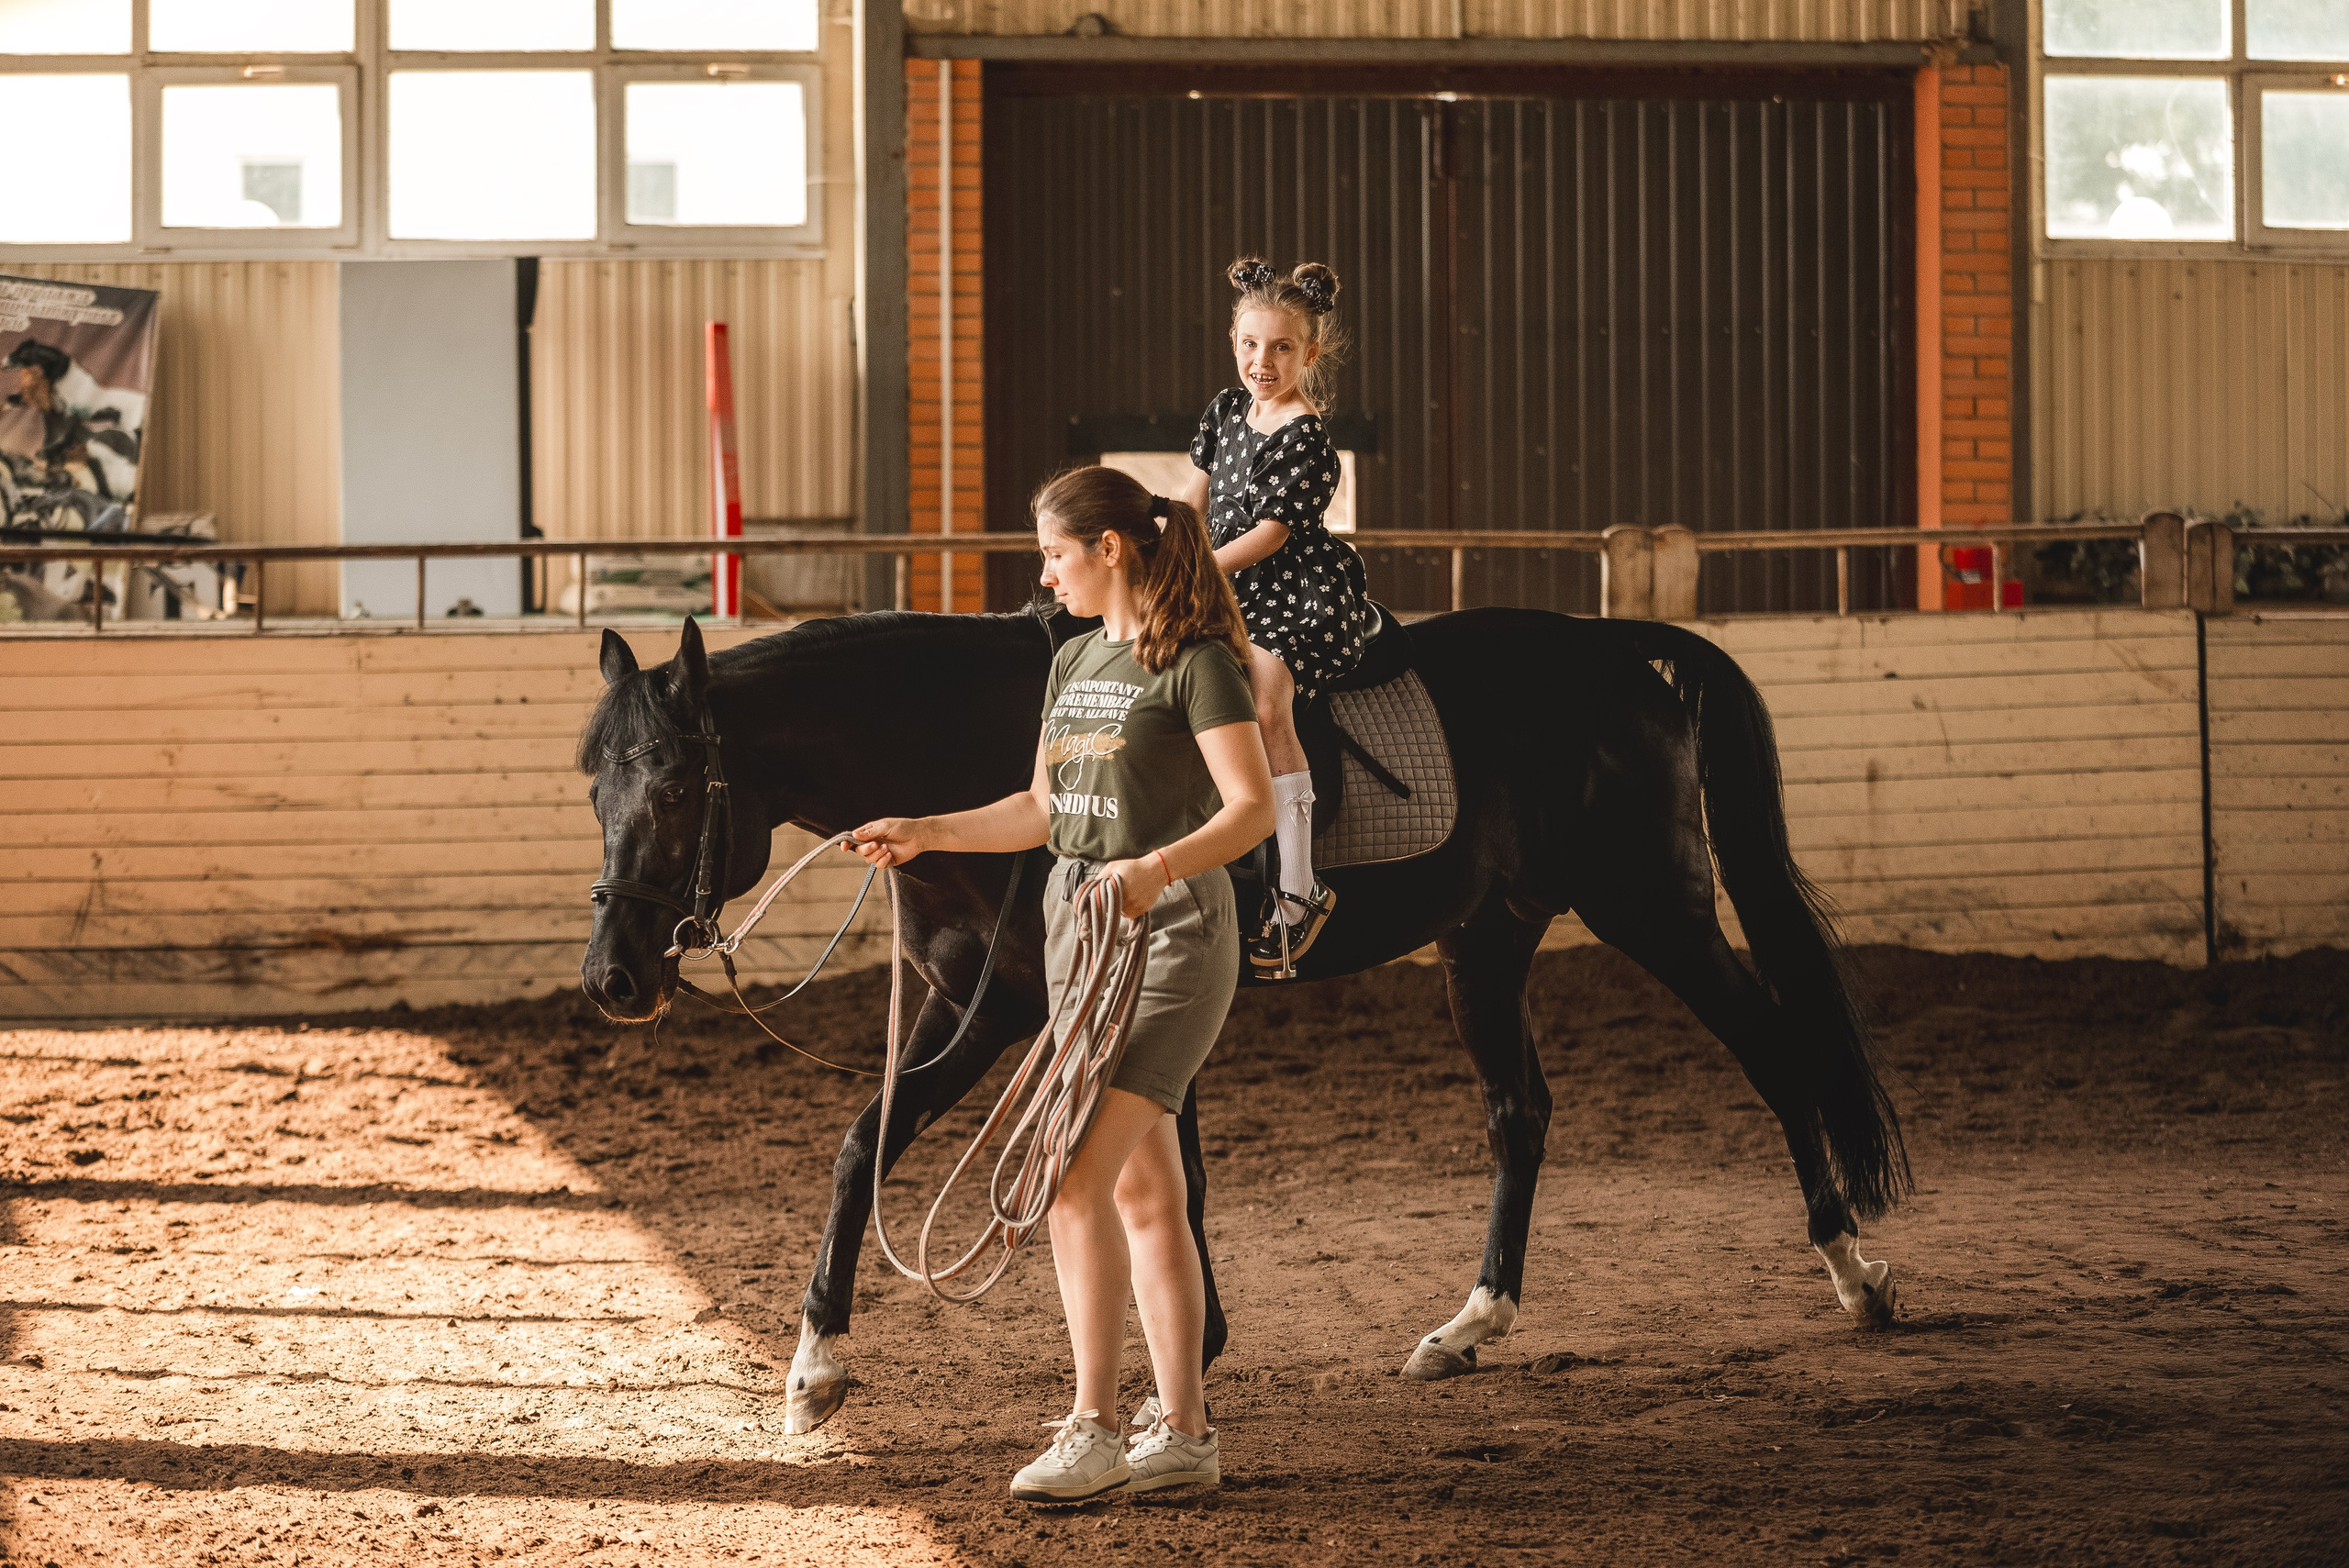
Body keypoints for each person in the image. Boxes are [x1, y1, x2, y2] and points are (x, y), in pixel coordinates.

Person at [847, 465, 1276, 1504]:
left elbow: (1253, 807)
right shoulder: (1074, 658)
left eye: (1054, 554)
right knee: (1145, 1189)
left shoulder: (1199, 664)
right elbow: (1041, 808)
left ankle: (1089, 1424)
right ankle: (1183, 1431)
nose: (1046, 575)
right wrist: (926, 829)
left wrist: (1156, 867)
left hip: (1167, 932)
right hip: (1082, 926)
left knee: (1072, 1180)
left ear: (1111, 548)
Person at [1177, 256, 1371, 974]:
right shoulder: (1227, 411)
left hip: (1288, 591)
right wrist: (1153, 544)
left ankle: (1298, 886)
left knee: (1263, 697)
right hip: (1217, 580)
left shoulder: (1307, 437)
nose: (1264, 361)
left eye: (1282, 347)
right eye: (1251, 345)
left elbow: (1269, 536)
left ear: (1309, 354)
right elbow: (1191, 497)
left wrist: (1193, 569)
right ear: (1234, 344)